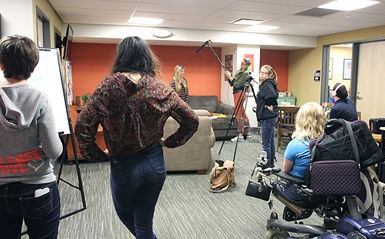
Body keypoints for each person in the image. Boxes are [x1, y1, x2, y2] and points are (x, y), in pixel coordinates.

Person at [74, 36, 199, 239]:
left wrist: (98, 155)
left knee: (126, 214)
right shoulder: (158, 87)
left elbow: (81, 126)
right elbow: (191, 120)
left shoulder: (108, 86)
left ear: (121, 57)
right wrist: (169, 142)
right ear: (147, 59)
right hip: (155, 163)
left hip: (124, 166)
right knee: (143, 221)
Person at [0, 35, 63, 238]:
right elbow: (53, 151)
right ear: (34, 65)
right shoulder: (40, 98)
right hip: (38, 188)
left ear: (1, 64)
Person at [282, 102, 326, 200]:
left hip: (300, 192)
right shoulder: (328, 143)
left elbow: (286, 171)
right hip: (324, 191)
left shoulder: (295, 145)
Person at [256, 65, 279, 168]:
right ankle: (271, 164)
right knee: (270, 142)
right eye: (261, 72)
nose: (262, 75)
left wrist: (268, 104)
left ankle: (267, 165)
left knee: (266, 143)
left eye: (264, 73)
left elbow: (273, 96)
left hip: (268, 117)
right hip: (271, 116)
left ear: (270, 75)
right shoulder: (269, 83)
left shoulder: (267, 84)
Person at [225, 58, 251, 142]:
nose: (241, 65)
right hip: (236, 93)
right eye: (241, 63)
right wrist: (229, 77)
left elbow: (237, 84)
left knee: (238, 113)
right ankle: (248, 132)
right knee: (242, 112)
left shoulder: (246, 73)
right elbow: (232, 83)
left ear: (247, 65)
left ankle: (240, 135)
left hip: (240, 93)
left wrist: (230, 77)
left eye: (243, 64)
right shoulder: (239, 71)